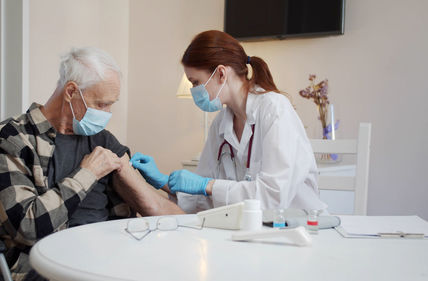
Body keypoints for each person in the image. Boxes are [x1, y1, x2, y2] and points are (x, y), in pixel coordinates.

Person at [0, 47, 183, 281]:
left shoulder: (104, 140)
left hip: (110, 258)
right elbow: (27, 227)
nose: (108, 114)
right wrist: (87, 173)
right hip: (45, 264)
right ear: (71, 92)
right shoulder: (11, 138)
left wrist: (197, 221)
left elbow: (154, 207)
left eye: (111, 104)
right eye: (101, 104)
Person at [131, 30, 327, 214]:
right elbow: (207, 199)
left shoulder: (274, 109)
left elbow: (272, 197)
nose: (194, 91)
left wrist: (206, 185)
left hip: (300, 228)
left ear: (222, 74)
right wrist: (165, 182)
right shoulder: (221, 125)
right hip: (252, 231)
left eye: (196, 82)